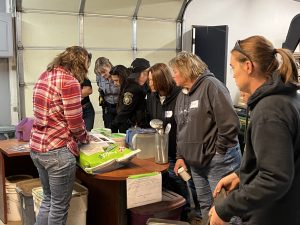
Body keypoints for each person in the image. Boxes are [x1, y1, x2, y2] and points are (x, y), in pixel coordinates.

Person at [209, 35, 300, 225]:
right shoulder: (287, 98)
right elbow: (281, 159)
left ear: (248, 66)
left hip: (274, 213)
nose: (232, 74)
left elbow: (275, 178)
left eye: (233, 67)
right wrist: (241, 176)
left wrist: (226, 208)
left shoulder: (270, 110)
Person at [169, 51, 241, 223]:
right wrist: (180, 156)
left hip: (218, 161)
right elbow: (181, 128)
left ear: (186, 70)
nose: (173, 76)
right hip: (196, 163)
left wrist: (219, 151)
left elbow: (230, 123)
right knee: (205, 208)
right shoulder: (181, 95)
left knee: (226, 210)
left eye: (175, 71)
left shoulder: (212, 86)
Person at [29, 46, 90, 225]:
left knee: (48, 200)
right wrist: (86, 138)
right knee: (59, 206)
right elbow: (75, 122)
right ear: (80, 64)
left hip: (37, 149)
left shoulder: (44, 76)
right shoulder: (69, 82)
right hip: (57, 152)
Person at [110, 58, 150, 133]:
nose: (115, 84)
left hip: (135, 126)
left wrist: (113, 126)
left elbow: (125, 111)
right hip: (132, 125)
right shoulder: (131, 87)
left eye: (116, 81)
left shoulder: (132, 88)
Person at [94, 57, 119, 128]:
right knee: (109, 131)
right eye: (100, 73)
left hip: (120, 106)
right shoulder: (99, 77)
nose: (102, 75)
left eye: (104, 71)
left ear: (109, 66)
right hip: (107, 107)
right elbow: (100, 88)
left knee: (123, 131)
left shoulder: (119, 73)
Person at [81, 53, 95, 131]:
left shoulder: (83, 75)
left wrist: (71, 95)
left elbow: (88, 90)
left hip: (86, 109)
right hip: (74, 110)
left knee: (87, 134)